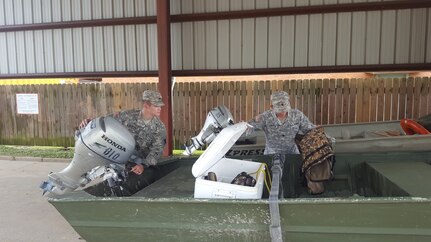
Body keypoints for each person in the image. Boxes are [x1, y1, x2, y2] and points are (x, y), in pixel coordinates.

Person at [79, 90, 167, 195]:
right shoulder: (127, 116)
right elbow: (106, 122)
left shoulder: (159, 128)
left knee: (135, 182)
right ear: (146, 105)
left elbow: (156, 151)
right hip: (121, 157)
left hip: (141, 165)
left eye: (160, 106)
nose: (160, 109)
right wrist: (90, 122)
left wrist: (143, 165)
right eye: (156, 106)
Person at [247, 91, 318, 197]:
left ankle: (294, 198)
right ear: (272, 107)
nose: (283, 111)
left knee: (293, 182)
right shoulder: (265, 117)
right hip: (271, 155)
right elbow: (249, 128)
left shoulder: (297, 115)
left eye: (284, 106)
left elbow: (309, 129)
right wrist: (250, 122)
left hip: (292, 154)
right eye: (279, 107)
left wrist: (319, 132)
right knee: (272, 184)